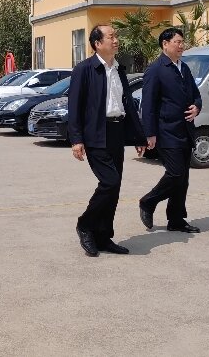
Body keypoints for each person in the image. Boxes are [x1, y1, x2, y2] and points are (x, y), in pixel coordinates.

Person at [68, 24, 146, 257]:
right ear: (97, 43)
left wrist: (138, 136)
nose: (116, 40)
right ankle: (85, 225)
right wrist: (76, 139)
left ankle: (103, 236)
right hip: (95, 133)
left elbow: (127, 105)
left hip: (116, 132)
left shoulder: (119, 69)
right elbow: (75, 107)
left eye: (115, 36)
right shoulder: (84, 69)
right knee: (109, 182)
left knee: (115, 187)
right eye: (111, 37)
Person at [139, 27, 203, 234]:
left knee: (183, 178)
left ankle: (176, 219)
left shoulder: (184, 68)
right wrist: (149, 133)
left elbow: (196, 95)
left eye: (182, 42)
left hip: (185, 129)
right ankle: (148, 201)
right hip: (166, 130)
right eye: (177, 42)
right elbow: (148, 104)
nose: (181, 46)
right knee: (175, 173)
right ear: (165, 44)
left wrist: (197, 107)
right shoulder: (155, 69)